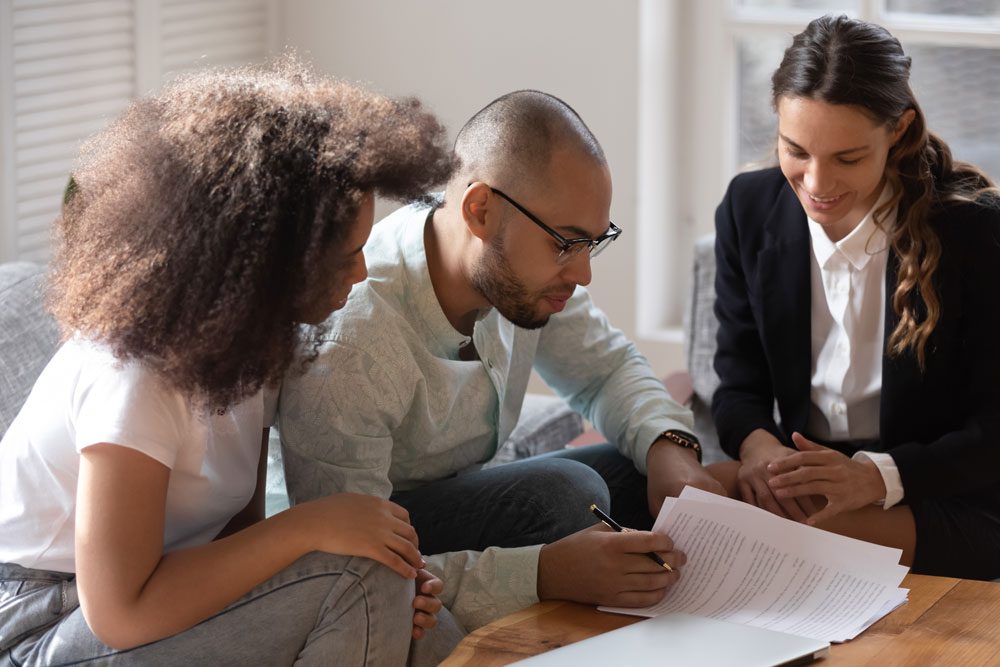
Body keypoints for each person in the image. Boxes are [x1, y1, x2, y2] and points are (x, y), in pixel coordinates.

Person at [0, 60, 456, 665]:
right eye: (344, 256)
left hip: (144, 602)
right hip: (43, 624)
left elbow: (238, 541)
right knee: (359, 581)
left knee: (415, 618)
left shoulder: (251, 345)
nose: (361, 272)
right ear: (266, 258)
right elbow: (118, 611)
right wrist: (310, 528)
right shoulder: (134, 375)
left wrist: (389, 584)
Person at [278, 89, 727, 632]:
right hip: (377, 534)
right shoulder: (352, 346)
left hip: (454, 499)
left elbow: (606, 370)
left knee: (650, 470)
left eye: (594, 242)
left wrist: (669, 449)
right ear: (481, 211)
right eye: (566, 243)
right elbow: (348, 574)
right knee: (570, 498)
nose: (583, 274)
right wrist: (542, 574)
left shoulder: (518, 277)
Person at [711, 15, 1000, 581]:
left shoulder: (976, 232)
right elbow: (737, 384)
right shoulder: (748, 209)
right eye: (796, 150)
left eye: (847, 158)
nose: (817, 185)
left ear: (898, 130)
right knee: (674, 495)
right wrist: (757, 447)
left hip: (942, 490)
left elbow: (993, 431)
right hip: (812, 478)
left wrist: (878, 477)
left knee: (769, 535)